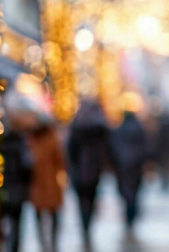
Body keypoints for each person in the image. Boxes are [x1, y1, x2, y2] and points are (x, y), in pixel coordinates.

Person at [67, 101, 109, 249]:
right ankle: (88, 226)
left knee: (81, 201)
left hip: (79, 170)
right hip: (94, 170)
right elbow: (107, 148)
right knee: (91, 199)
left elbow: (70, 149)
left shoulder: (77, 126)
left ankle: (85, 227)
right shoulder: (101, 127)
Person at [28, 122, 66, 252]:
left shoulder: (34, 140)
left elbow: (59, 160)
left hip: (44, 183)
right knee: (49, 215)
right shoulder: (48, 138)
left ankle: (47, 243)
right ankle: (49, 243)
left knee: (46, 215)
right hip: (46, 183)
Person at [108, 108, 147, 232]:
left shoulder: (119, 130)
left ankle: (129, 215)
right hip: (136, 166)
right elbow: (145, 148)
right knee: (134, 192)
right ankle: (132, 215)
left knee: (126, 192)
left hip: (123, 166)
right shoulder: (140, 129)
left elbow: (113, 148)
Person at [0, 128, 34, 252]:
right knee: (16, 224)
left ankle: (4, 245)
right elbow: (27, 166)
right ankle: (13, 247)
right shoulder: (20, 143)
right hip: (16, 190)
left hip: (1, 189)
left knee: (2, 222)